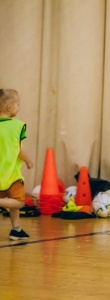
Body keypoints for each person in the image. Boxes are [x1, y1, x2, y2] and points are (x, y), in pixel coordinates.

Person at [0, 89, 34, 240]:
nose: (19, 107)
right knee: (19, 202)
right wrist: (28, 161)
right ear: (9, 107)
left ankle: (16, 229)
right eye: (18, 104)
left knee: (11, 203)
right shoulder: (17, 126)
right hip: (11, 174)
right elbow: (19, 150)